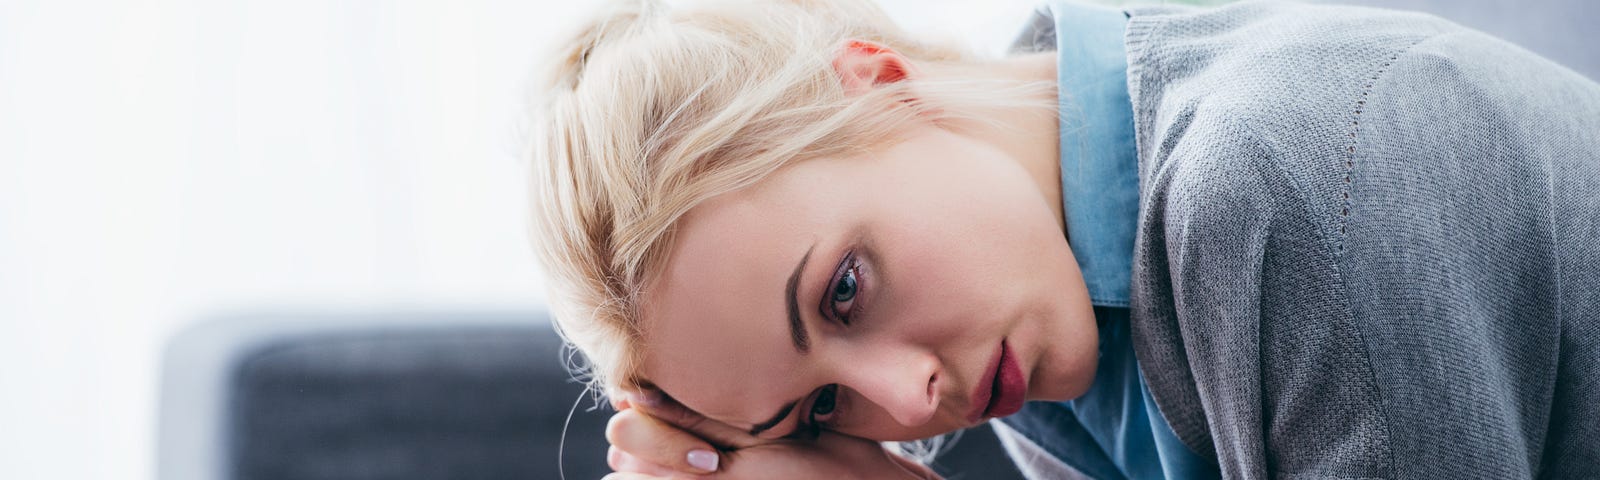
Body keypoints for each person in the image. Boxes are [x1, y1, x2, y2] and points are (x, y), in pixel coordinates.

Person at [527, 0, 1600, 478]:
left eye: (844, 291)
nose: (907, 405)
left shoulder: (1278, 186)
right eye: (818, 411)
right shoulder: (1051, 297)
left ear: (877, 85)